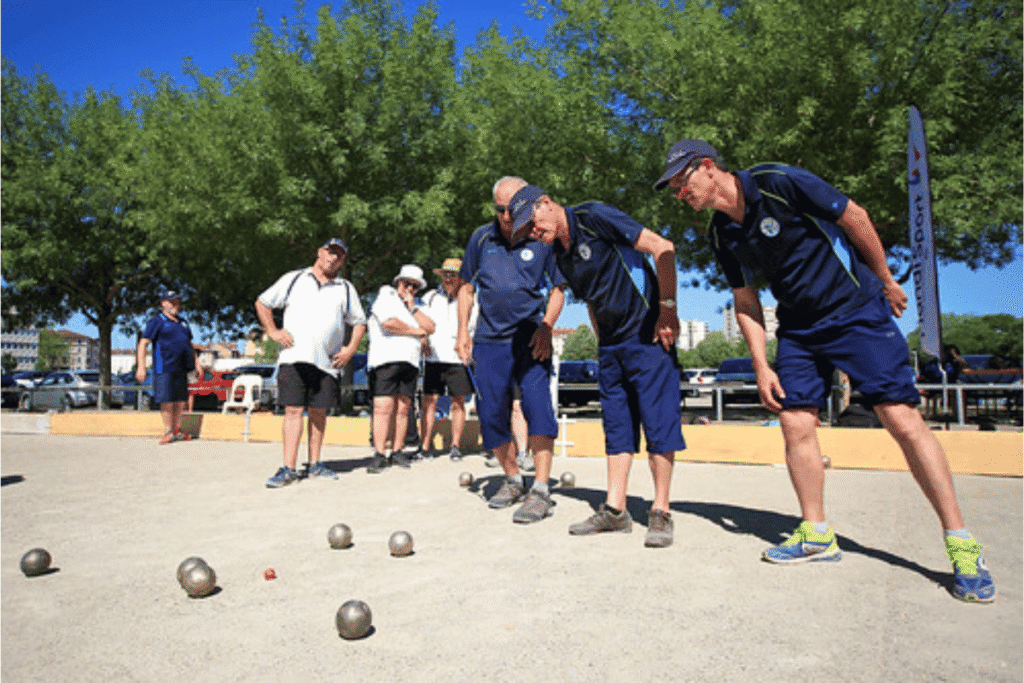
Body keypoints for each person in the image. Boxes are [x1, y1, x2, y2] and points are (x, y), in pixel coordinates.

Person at [656, 139, 995, 601]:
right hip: (798, 327)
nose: (680, 195)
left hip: (855, 310)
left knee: (901, 419)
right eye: (674, 189)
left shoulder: (778, 182)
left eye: (681, 183)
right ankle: (816, 533)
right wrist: (760, 365)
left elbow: (854, 217)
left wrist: (886, 279)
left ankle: (961, 543)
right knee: (794, 420)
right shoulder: (722, 233)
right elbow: (745, 300)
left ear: (708, 168)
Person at [509, 184, 685, 547]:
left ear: (546, 203)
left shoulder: (594, 217)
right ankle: (615, 510)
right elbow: (590, 299)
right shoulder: (559, 255)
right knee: (617, 427)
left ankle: (661, 511)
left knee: (658, 424)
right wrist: (602, 338)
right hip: (612, 346)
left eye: (533, 222)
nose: (533, 232)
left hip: (649, 336)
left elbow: (662, 247)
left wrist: (667, 309)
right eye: (525, 232)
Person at [456, 176, 567, 524]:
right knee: (491, 415)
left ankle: (541, 490)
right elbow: (465, 287)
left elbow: (559, 289)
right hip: (489, 342)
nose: (506, 215)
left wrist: (546, 328)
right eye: (500, 209)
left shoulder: (542, 237)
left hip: (531, 341)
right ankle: (512, 478)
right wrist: (463, 332)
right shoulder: (481, 238)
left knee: (538, 409)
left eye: (512, 208)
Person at [256, 238, 367, 488]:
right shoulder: (294, 279)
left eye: (339, 255)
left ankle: (316, 463)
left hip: (327, 363)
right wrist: (273, 331)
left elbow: (359, 322)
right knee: (293, 411)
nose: (333, 258)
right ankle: (288, 468)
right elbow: (263, 303)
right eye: (330, 252)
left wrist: (350, 350)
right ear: (319, 252)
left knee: (319, 413)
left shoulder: (345, 288)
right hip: (294, 357)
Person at [366, 264, 435, 473]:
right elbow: (389, 323)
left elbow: (431, 327)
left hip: (410, 362)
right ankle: (379, 453)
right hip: (385, 359)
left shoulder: (418, 305)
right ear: (398, 282)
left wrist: (412, 305)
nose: (410, 289)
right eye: (407, 284)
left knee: (404, 409)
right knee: (383, 407)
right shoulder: (386, 295)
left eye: (415, 286)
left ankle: (397, 451)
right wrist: (416, 332)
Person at [419, 258, 477, 459]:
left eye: (453, 275)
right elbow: (421, 322)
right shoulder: (430, 297)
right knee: (429, 401)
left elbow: (473, 326)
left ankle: (455, 446)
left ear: (461, 278)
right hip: (433, 357)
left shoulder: (471, 297)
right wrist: (422, 339)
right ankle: (424, 447)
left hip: (457, 357)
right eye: (446, 275)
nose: (449, 279)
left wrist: (467, 346)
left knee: (458, 402)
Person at [137, 289, 204, 445]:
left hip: (182, 367)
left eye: (177, 301)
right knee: (167, 399)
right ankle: (168, 430)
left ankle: (176, 429)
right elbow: (143, 343)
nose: (175, 304)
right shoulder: (157, 321)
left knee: (180, 399)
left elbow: (189, 344)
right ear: (163, 303)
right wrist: (141, 367)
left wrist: (197, 363)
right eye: (171, 301)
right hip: (164, 366)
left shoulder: (183, 322)